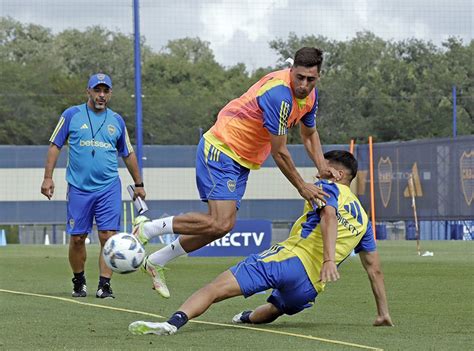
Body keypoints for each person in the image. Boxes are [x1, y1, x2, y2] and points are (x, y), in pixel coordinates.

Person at [132, 47, 340, 298]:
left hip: (242, 159)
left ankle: (156, 261)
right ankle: (147, 229)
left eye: (311, 79)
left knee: (222, 226)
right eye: (300, 77)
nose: (304, 85)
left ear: (318, 77)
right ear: (291, 70)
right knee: (219, 221)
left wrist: (321, 166)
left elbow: (309, 134)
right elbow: (280, 152)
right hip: (222, 147)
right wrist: (302, 187)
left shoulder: (310, 97)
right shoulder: (279, 95)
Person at [128, 150, 394, 336]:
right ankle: (246, 317)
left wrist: (327, 259)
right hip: (310, 286)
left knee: (215, 289)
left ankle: (173, 323)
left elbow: (329, 215)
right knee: (276, 309)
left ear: (336, 174)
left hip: (288, 260)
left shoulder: (330, 189)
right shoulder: (364, 220)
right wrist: (383, 312)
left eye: (322, 170)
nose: (316, 175)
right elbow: (375, 270)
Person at [40, 73, 146, 299]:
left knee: (108, 236)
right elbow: (54, 146)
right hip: (78, 187)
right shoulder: (71, 115)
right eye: (97, 90)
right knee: (78, 237)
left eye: (105, 91)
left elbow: (128, 153)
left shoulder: (116, 120)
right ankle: (79, 281)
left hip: (108, 187)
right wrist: (48, 177)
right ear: (87, 91)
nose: (101, 95)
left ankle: (104, 285)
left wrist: (139, 184)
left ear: (110, 94)